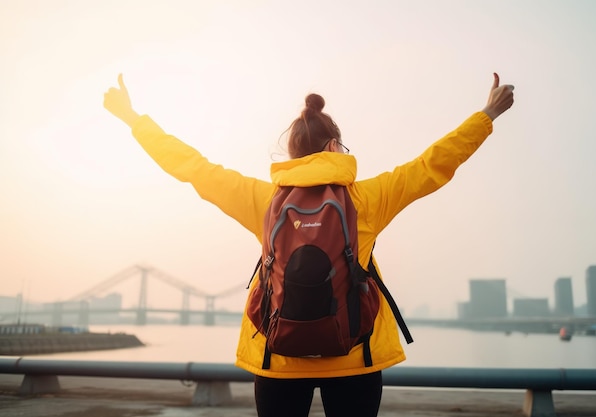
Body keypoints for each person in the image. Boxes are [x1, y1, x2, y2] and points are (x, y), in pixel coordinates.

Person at [103, 72, 514, 417]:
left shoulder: (264, 201)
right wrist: (487, 114)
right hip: (355, 357)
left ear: (291, 153)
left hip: (278, 359)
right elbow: (432, 164)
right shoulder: (365, 200)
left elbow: (192, 166)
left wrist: (132, 119)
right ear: (335, 147)